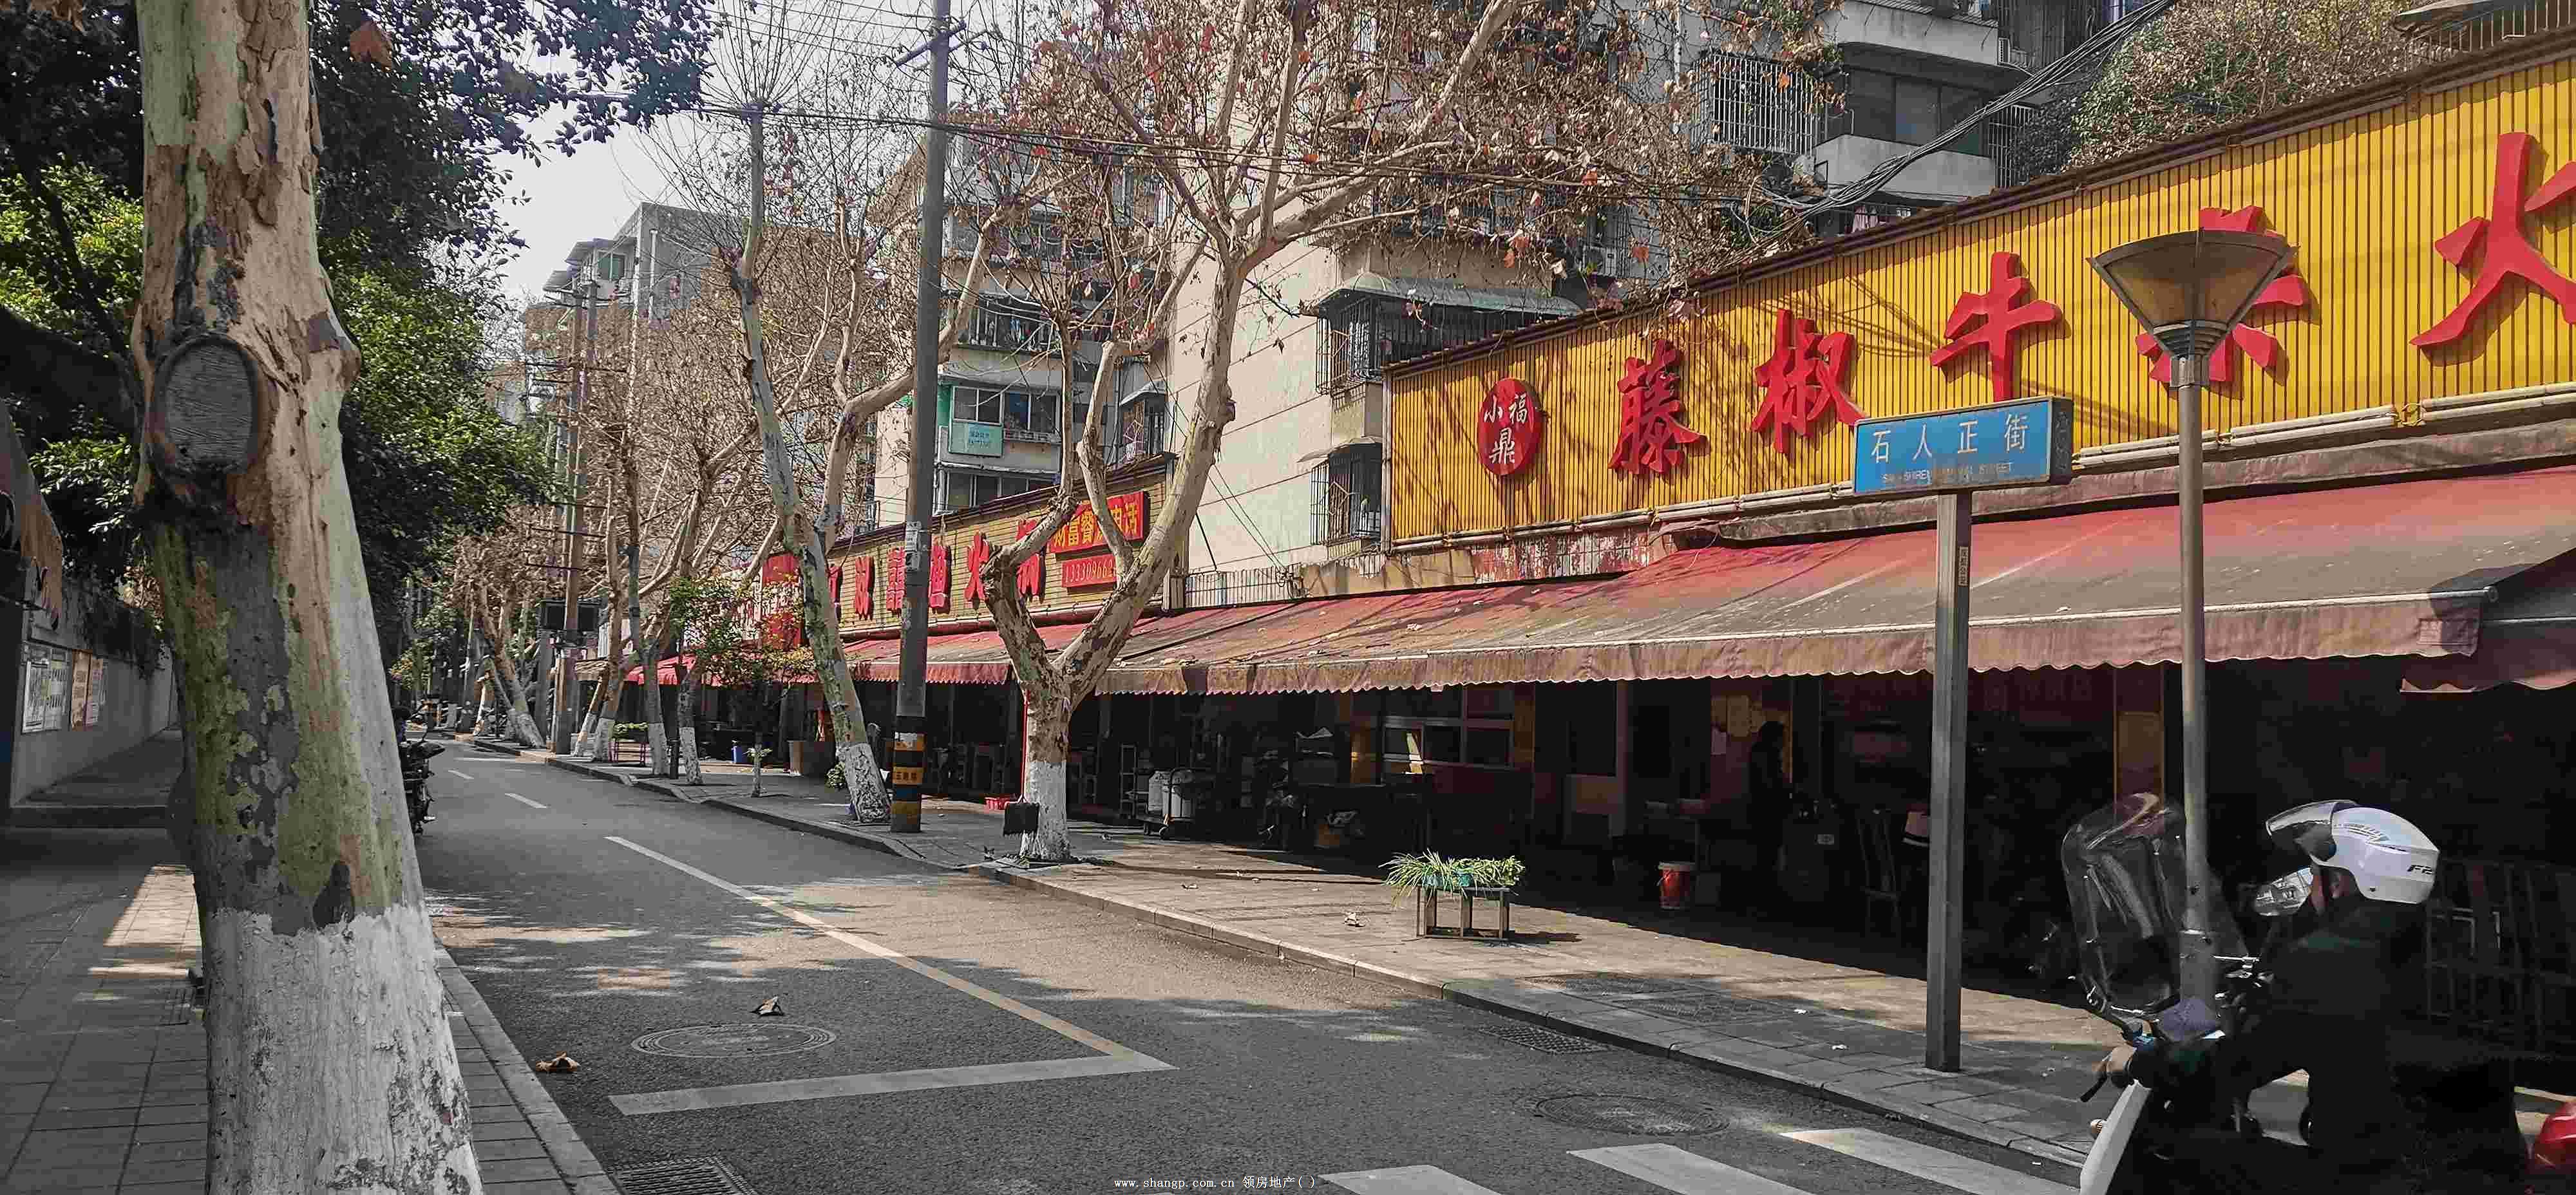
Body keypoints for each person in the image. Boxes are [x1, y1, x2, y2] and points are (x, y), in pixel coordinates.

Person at [2098, 801, 2521, 1193]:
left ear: (2339, 883)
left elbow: (2238, 1064)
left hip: (2373, 1182)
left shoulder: (2328, 960)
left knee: (2181, 1148)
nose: (2309, 889)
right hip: (2486, 1179)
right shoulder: (2458, 953)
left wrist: (2141, 1062)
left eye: (2315, 875)